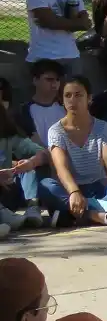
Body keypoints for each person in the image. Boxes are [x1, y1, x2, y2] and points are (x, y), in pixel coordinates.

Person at [38, 76, 107, 227]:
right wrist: (74, 192)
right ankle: (99, 215)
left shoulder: (102, 127)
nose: (72, 100)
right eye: (68, 95)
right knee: (45, 186)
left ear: (89, 98)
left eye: (78, 95)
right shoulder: (56, 131)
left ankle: (72, 216)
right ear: (62, 99)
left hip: (99, 188)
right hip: (70, 190)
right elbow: (61, 168)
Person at [0, 98, 48, 233]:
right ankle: (3, 217)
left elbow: (44, 153)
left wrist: (31, 162)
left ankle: (33, 207)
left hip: (8, 192)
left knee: (29, 167)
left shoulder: (8, 138)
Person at [14, 58, 66, 147]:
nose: (54, 84)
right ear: (35, 80)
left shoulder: (66, 107)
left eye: (57, 80)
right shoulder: (24, 111)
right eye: (49, 80)